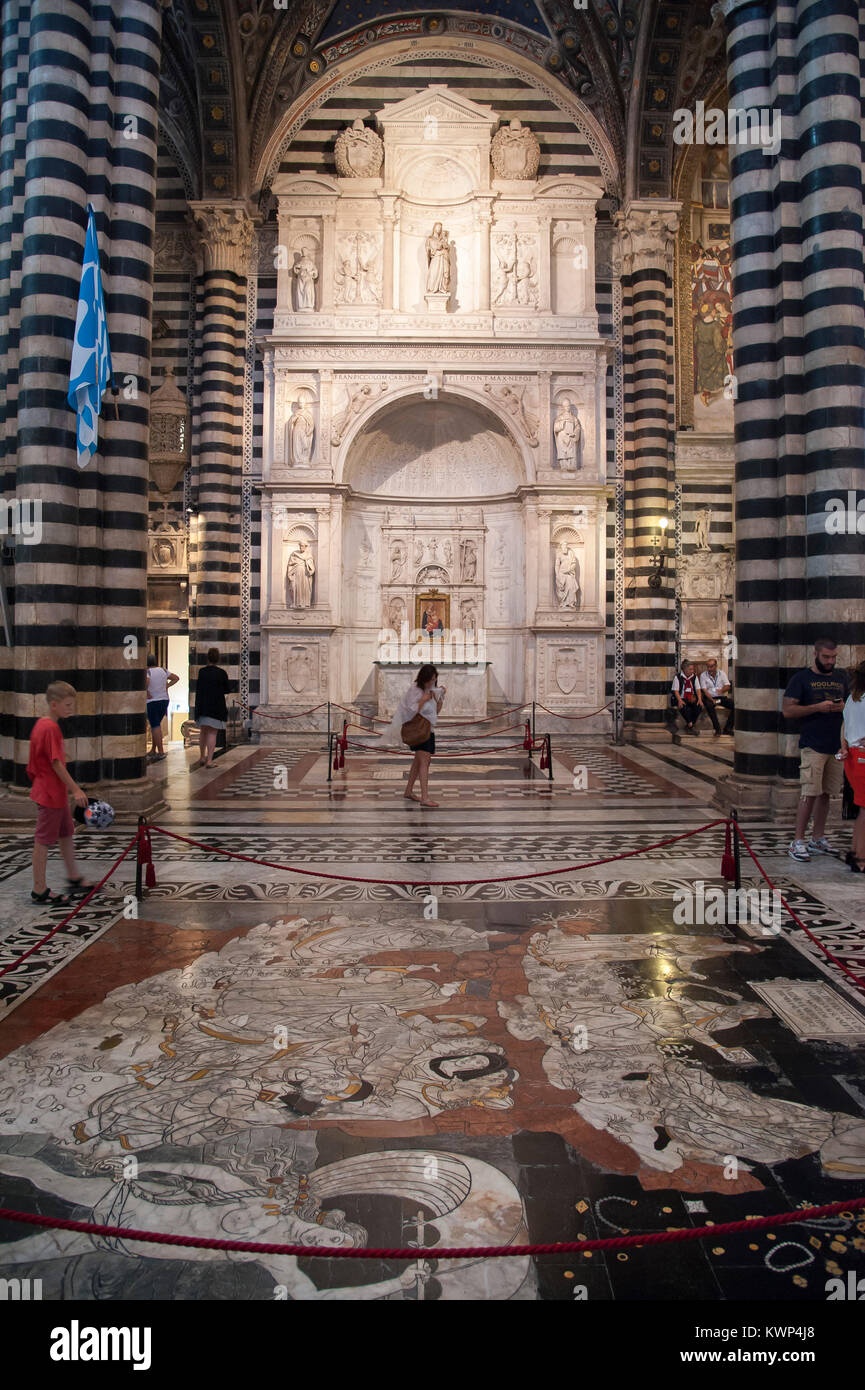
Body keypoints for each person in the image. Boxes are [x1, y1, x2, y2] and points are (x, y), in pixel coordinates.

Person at [26, 682, 93, 904]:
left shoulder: (41, 725)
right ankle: (39, 889)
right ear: (54, 705)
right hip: (50, 794)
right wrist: (75, 789)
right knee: (43, 840)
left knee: (66, 833)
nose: (71, 708)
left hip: (54, 792)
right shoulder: (50, 728)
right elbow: (56, 763)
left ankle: (74, 877)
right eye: (67, 705)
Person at [783, 638, 849, 861]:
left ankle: (817, 837)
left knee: (826, 793)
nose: (830, 661)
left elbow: (852, 704)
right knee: (809, 792)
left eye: (833, 657)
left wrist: (843, 707)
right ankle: (798, 840)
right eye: (826, 657)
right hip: (813, 744)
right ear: (816, 654)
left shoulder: (841, 678)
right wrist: (817, 707)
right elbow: (788, 710)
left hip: (836, 744)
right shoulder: (802, 678)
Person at [385, 664, 446, 808]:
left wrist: (441, 697)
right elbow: (409, 712)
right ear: (423, 678)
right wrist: (423, 700)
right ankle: (425, 798)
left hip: (427, 729)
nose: (432, 683)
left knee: (419, 761)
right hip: (418, 730)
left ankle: (408, 791)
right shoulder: (415, 690)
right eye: (430, 680)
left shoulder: (428, 690)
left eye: (434, 680)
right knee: (425, 761)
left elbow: (435, 712)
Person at [840, 659, 865, 873]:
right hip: (863, 757)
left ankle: (856, 853)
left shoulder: (852, 699)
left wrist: (844, 748)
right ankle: (861, 859)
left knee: (862, 811)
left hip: (852, 757)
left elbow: (844, 727)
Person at [193, 648, 230, 770]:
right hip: (216, 707)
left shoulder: (202, 672)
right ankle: (209, 760)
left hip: (203, 706)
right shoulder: (221, 673)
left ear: (208, 658)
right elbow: (226, 690)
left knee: (203, 731)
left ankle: (202, 757)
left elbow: (198, 688)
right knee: (212, 733)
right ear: (218, 658)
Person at [146, 654, 179, 762]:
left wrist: (146, 691)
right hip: (164, 700)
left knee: (155, 725)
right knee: (157, 725)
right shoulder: (163, 670)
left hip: (153, 701)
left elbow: (146, 682)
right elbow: (176, 678)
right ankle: (153, 749)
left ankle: (160, 752)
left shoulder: (148, 672)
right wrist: (167, 686)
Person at [699, 657, 734, 736]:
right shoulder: (703, 675)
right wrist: (712, 699)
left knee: (735, 706)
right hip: (709, 698)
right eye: (708, 666)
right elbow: (704, 690)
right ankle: (717, 729)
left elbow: (728, 686)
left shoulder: (722, 673)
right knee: (709, 705)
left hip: (720, 697)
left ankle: (728, 728)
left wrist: (721, 690)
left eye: (711, 666)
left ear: (716, 666)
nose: (709, 669)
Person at [670, 660, 704, 734]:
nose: (692, 671)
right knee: (683, 706)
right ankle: (691, 726)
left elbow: (698, 689)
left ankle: (689, 725)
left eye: (693, 669)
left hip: (691, 697)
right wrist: (679, 700)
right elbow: (675, 691)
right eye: (690, 669)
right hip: (681, 697)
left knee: (699, 706)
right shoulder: (678, 677)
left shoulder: (694, 677)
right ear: (685, 669)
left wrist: (699, 699)